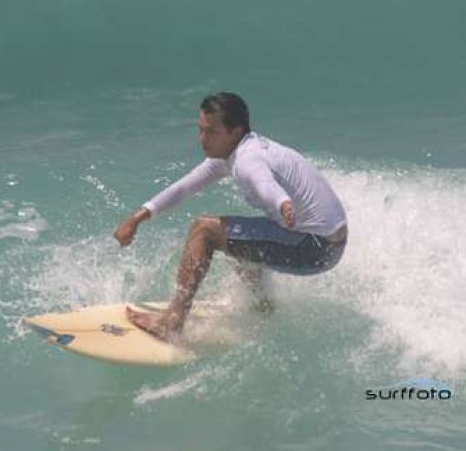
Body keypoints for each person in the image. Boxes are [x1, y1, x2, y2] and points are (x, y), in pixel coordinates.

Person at [114, 92, 347, 342]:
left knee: (204, 230)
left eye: (211, 132)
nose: (202, 139)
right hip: (330, 243)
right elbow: (183, 188)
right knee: (237, 238)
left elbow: (263, 183)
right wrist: (138, 217)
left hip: (314, 247)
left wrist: (282, 203)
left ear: (235, 132)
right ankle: (263, 308)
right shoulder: (235, 152)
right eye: (200, 130)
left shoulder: (248, 158)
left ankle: (171, 322)